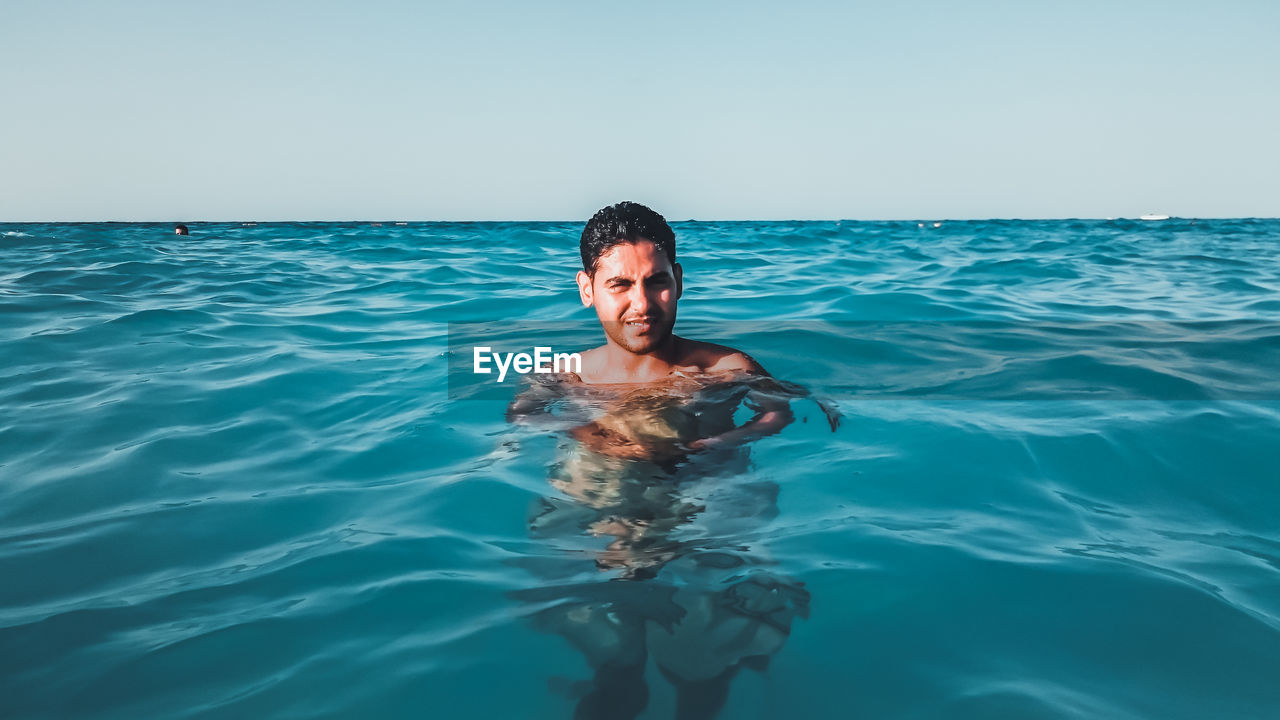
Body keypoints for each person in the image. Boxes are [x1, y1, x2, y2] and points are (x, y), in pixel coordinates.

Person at [505, 202, 823, 720]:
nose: (642, 303)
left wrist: (708, 447)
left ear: (678, 279)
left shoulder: (724, 366)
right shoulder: (568, 373)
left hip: (703, 497)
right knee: (611, 647)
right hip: (600, 501)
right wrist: (600, 438)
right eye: (620, 286)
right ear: (587, 289)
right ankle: (617, 683)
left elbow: (777, 415)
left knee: (700, 660)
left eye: (656, 282)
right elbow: (522, 416)